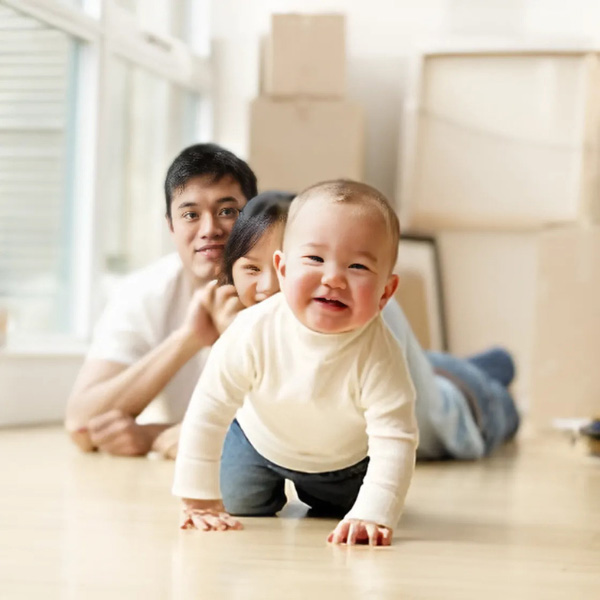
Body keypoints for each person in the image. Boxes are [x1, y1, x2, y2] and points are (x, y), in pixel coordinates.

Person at [173, 180, 418, 546]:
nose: (332, 278)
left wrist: (375, 511)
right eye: (315, 259)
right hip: (257, 440)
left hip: (343, 462)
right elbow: (209, 407)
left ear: (385, 292)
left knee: (347, 516)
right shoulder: (253, 329)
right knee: (238, 503)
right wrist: (198, 496)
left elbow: (395, 438)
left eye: (357, 266)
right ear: (283, 269)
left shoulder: (380, 353)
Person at [218, 191, 520, 462]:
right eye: (252, 268)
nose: (268, 287)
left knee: (495, 394)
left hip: (466, 404)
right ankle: (483, 364)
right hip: (427, 369)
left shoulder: (354, 307)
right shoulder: (257, 325)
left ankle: (492, 369)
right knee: (435, 364)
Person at [64, 143, 257, 457]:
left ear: (254, 220)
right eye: (191, 214)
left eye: (227, 211)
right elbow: (82, 425)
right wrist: (189, 338)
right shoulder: (144, 291)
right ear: (171, 226)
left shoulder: (291, 290)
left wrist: (163, 434)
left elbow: (308, 428)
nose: (209, 229)